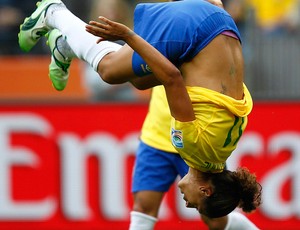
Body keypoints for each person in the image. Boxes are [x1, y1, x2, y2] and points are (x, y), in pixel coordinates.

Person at [18, 0, 262, 229]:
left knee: (140, 80)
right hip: (196, 34)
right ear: (205, 190)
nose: (187, 204)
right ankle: (55, 13)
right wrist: (128, 36)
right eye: (194, 204)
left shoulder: (222, 152)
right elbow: (171, 77)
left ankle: (66, 45)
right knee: (110, 70)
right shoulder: (192, 146)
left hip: (222, 24)